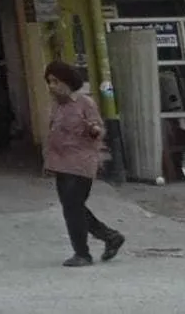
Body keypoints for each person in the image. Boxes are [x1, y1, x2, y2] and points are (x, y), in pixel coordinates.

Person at [44, 61, 126, 267]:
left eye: (55, 81)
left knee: (72, 207)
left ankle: (82, 253)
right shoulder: (56, 106)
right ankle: (110, 237)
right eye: (49, 81)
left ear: (68, 82)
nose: (51, 86)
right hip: (60, 163)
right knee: (72, 207)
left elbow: (97, 128)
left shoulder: (84, 103)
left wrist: (94, 130)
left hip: (81, 163)